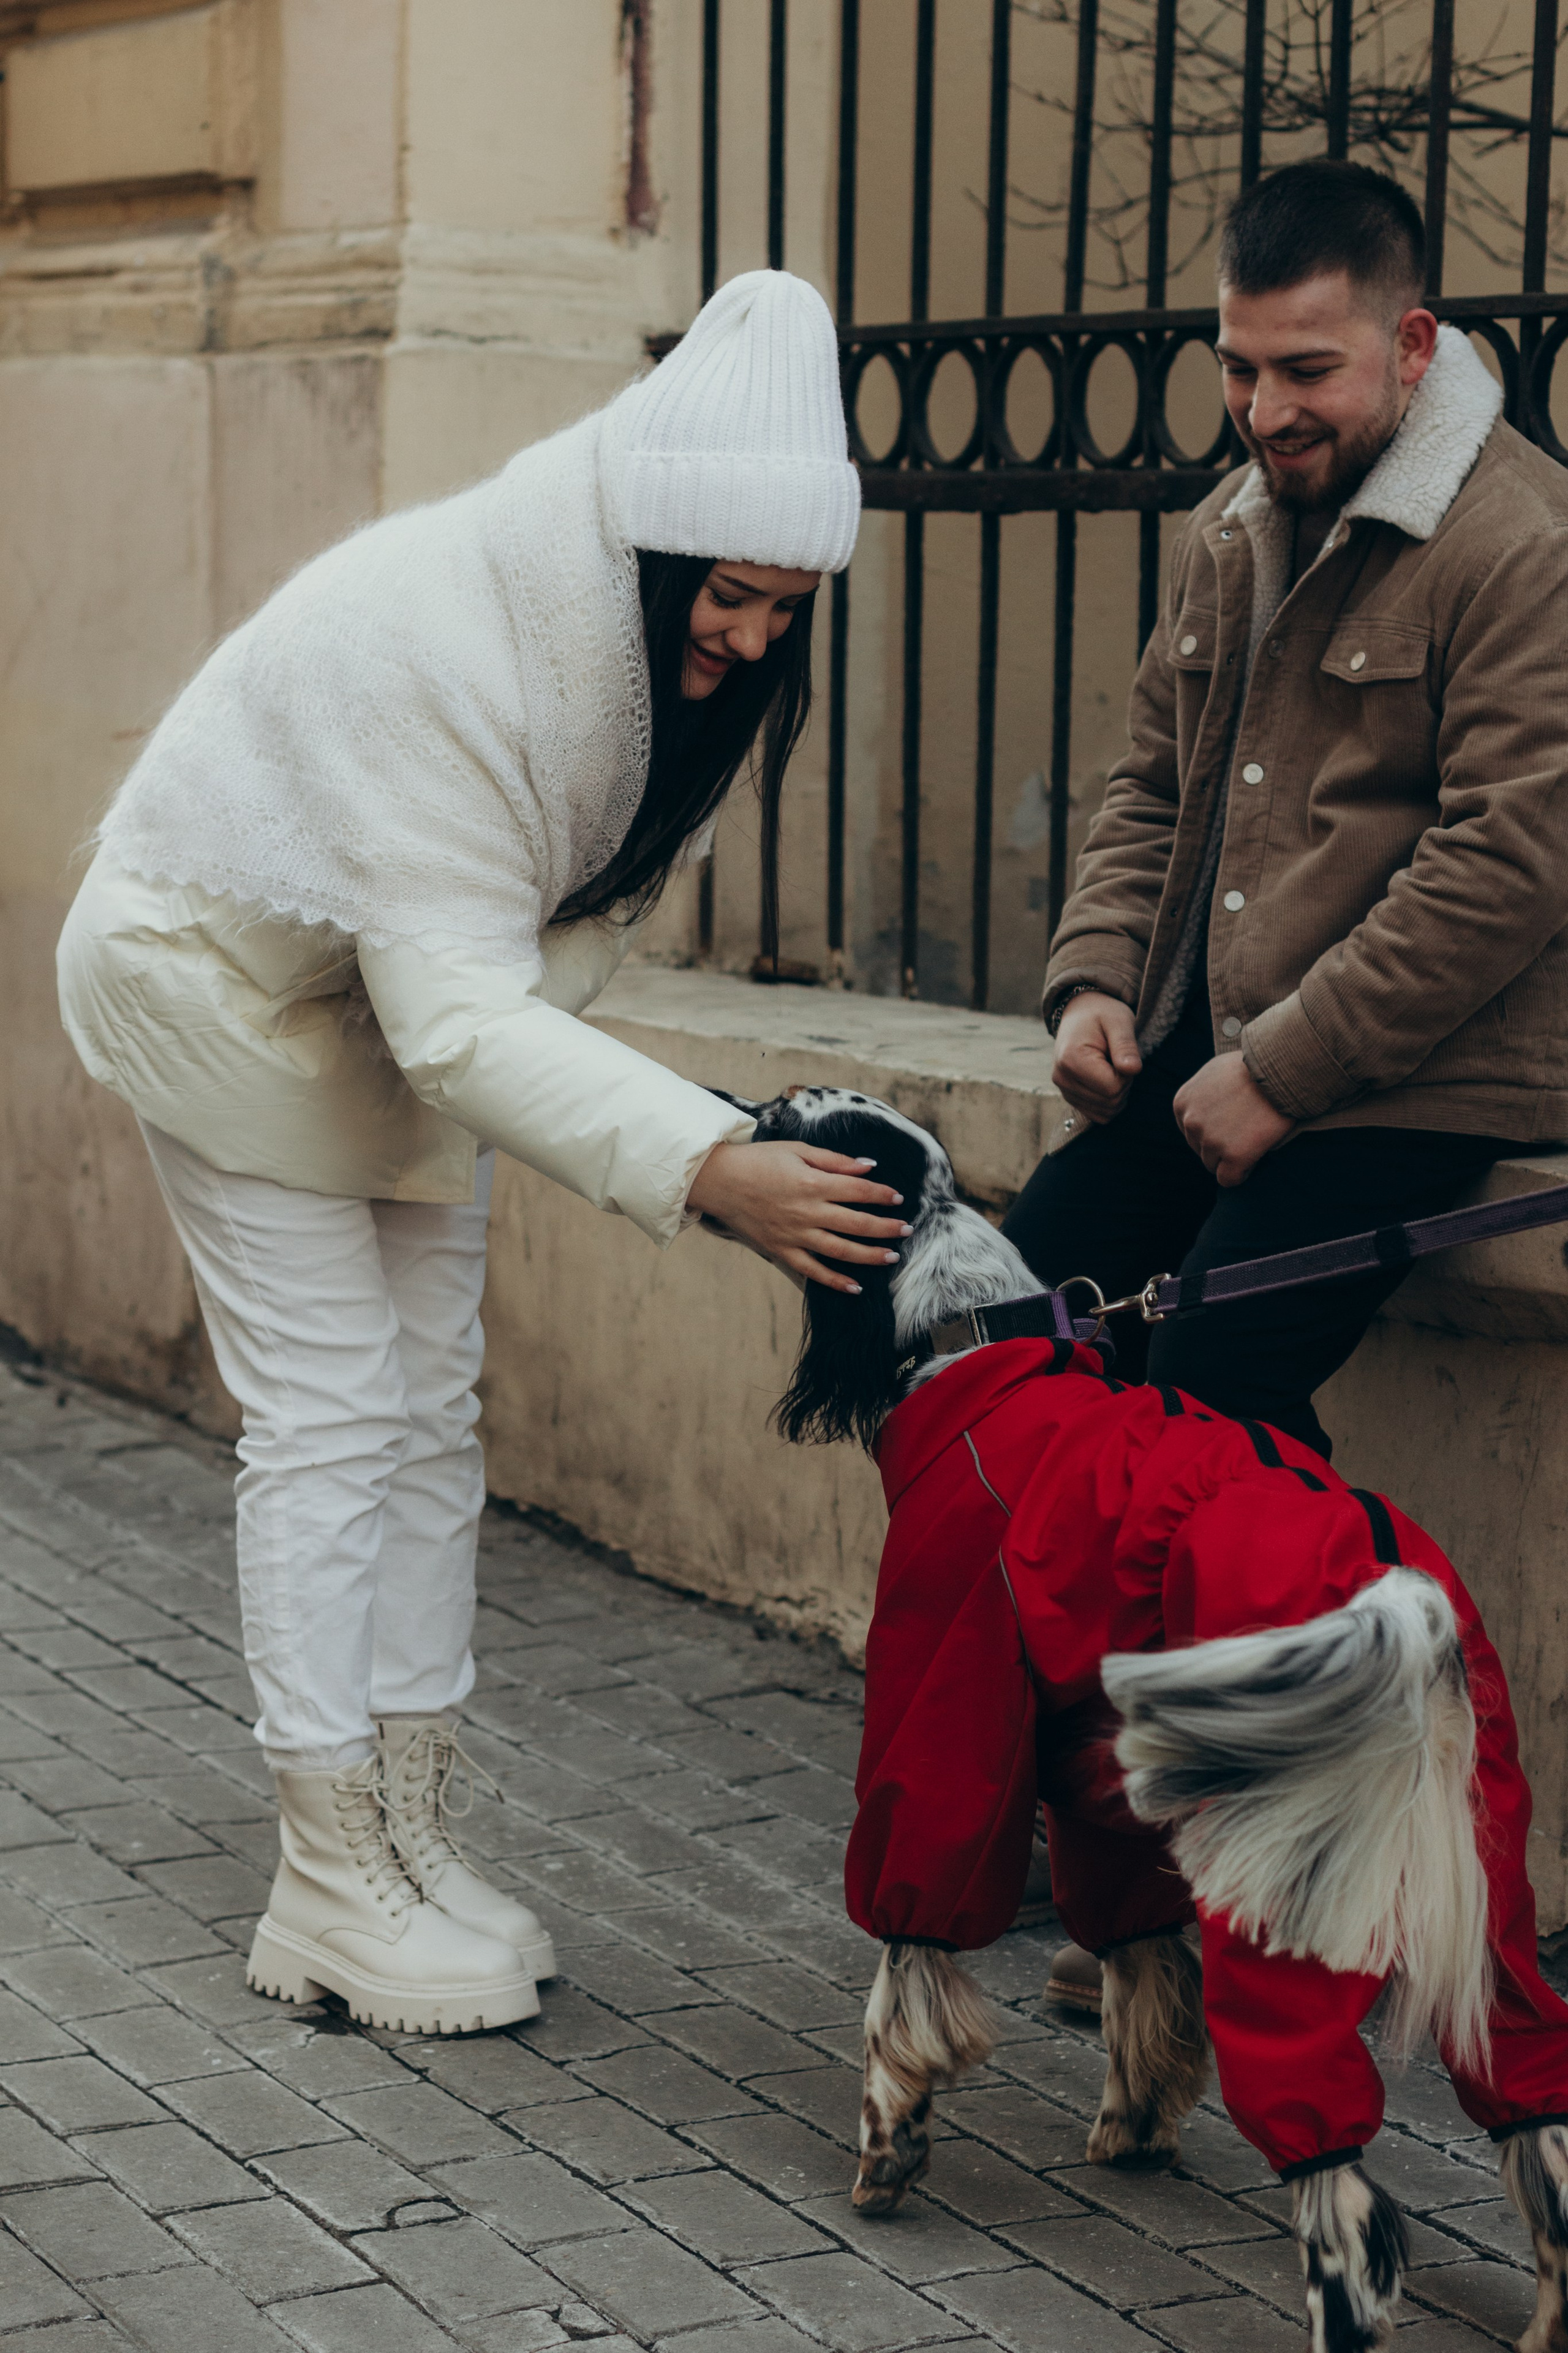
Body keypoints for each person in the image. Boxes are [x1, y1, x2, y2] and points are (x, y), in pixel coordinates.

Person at [56, 270, 907, 2036]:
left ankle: (416, 1834)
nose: (753, 638)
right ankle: (327, 1874)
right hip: (210, 983)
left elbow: (546, 950)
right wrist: (705, 1164)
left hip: (388, 1006)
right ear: (658, 551)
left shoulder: (646, 664)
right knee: (335, 1405)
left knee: (435, 1406)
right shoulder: (454, 634)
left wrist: (672, 1137)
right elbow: (468, 1017)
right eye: (730, 595)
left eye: (787, 606)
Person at [1000, 159, 1568, 2011]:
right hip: (1217, 1034)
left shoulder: (1520, 543)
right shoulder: (1236, 517)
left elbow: (1503, 866)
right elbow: (1147, 776)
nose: (1264, 410)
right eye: (1240, 368)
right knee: (1027, 1311)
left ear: (1412, 345)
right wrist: (1098, 980)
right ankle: (1109, 1800)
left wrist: (1285, 1075)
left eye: (1305, 371)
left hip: (1425, 1064)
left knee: (1215, 1376)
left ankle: (1314, 1828)